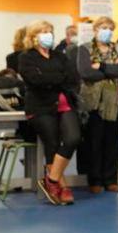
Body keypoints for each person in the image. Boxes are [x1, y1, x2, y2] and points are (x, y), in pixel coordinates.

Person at [18, 20, 81, 206]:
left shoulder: (60, 56)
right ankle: (61, 185)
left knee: (73, 138)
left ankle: (51, 180)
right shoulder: (26, 57)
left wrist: (49, 79)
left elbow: (72, 77)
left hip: (64, 104)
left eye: (50, 31)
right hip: (40, 107)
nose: (48, 35)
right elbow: (34, 80)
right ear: (33, 36)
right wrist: (56, 79)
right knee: (51, 143)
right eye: (44, 32)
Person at [75, 16, 118, 194]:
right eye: (103, 27)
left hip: (116, 102)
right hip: (93, 102)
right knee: (94, 142)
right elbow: (86, 72)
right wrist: (110, 68)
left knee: (112, 141)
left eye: (110, 28)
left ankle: (111, 179)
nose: (107, 31)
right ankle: (95, 180)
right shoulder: (84, 49)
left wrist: (101, 67)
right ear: (95, 30)